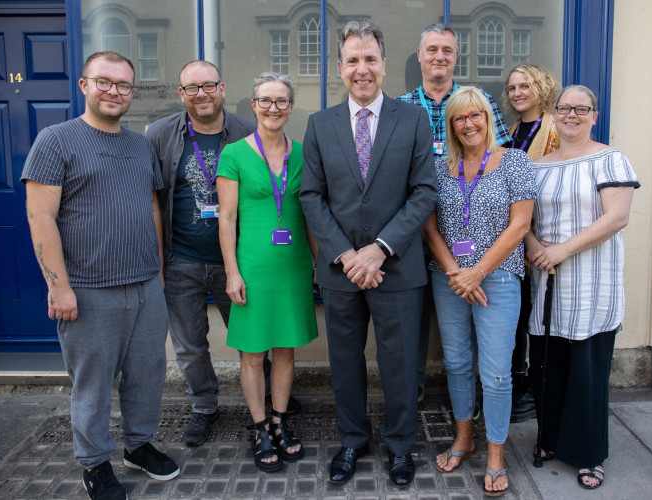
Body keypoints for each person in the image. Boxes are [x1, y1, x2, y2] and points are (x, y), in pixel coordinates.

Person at [21, 51, 179, 500]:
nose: (114, 91)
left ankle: (138, 445)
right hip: (88, 291)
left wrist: (159, 271)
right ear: (84, 85)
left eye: (124, 85)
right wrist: (59, 285)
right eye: (104, 82)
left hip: (146, 284)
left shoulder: (139, 145)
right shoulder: (55, 140)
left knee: (148, 373)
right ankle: (93, 462)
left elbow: (151, 208)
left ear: (133, 92)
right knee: (93, 383)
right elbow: (40, 217)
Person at [300, 20, 437, 488]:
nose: (363, 69)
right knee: (344, 362)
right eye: (353, 60)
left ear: (383, 65)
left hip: (397, 268)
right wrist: (346, 254)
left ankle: (401, 447)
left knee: (399, 364)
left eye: (371, 59)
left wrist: (378, 250)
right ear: (340, 68)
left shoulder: (413, 118)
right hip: (341, 272)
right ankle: (352, 440)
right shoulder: (319, 125)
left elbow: (424, 192)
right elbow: (311, 196)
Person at [526, 85, 639, 490]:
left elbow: (616, 218)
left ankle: (589, 454)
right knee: (547, 368)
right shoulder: (537, 166)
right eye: (564, 108)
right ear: (553, 115)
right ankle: (550, 440)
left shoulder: (610, 158)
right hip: (548, 281)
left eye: (581, 108)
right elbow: (524, 221)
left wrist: (561, 251)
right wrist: (537, 247)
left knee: (586, 375)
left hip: (592, 280)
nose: (571, 115)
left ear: (594, 114)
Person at [424, 86, 535, 497]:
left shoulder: (515, 162)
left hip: (499, 278)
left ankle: (495, 455)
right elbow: (429, 226)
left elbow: (520, 225)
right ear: (450, 124)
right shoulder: (438, 168)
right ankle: (463, 438)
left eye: (476, 116)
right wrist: (457, 271)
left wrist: (478, 272)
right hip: (448, 276)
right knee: (455, 363)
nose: (468, 124)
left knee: (496, 373)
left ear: (489, 119)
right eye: (459, 117)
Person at [398, 25, 513, 404]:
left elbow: (501, 163)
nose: (439, 57)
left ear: (456, 56)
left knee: (479, 322)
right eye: (431, 49)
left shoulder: (478, 103)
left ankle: (475, 403)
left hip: (472, 239)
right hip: (415, 235)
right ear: (420, 56)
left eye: (447, 50)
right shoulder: (399, 107)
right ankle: (411, 401)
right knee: (413, 326)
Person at [146, 60, 256, 446]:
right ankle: (204, 406)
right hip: (182, 261)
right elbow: (153, 202)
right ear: (181, 94)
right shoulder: (159, 134)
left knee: (250, 338)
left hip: (237, 260)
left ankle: (266, 400)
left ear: (222, 88)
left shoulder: (248, 131)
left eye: (208, 85)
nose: (201, 94)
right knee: (190, 346)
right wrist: (158, 262)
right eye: (192, 88)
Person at [217, 72, 318, 473]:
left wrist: (317, 263)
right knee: (254, 353)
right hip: (253, 268)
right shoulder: (234, 154)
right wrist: (232, 273)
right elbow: (225, 219)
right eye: (265, 100)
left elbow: (311, 215)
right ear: (253, 105)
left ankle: (279, 420)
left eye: (281, 101)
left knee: (286, 350)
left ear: (291, 107)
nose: (273, 108)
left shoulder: (304, 152)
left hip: (292, 268)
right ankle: (259, 427)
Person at [501, 63, 561, 423]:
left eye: (525, 86)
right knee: (517, 314)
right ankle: (514, 383)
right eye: (512, 88)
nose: (518, 93)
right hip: (515, 239)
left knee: (535, 316)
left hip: (543, 238)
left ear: (541, 88)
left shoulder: (553, 130)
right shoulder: (511, 131)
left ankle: (527, 387)